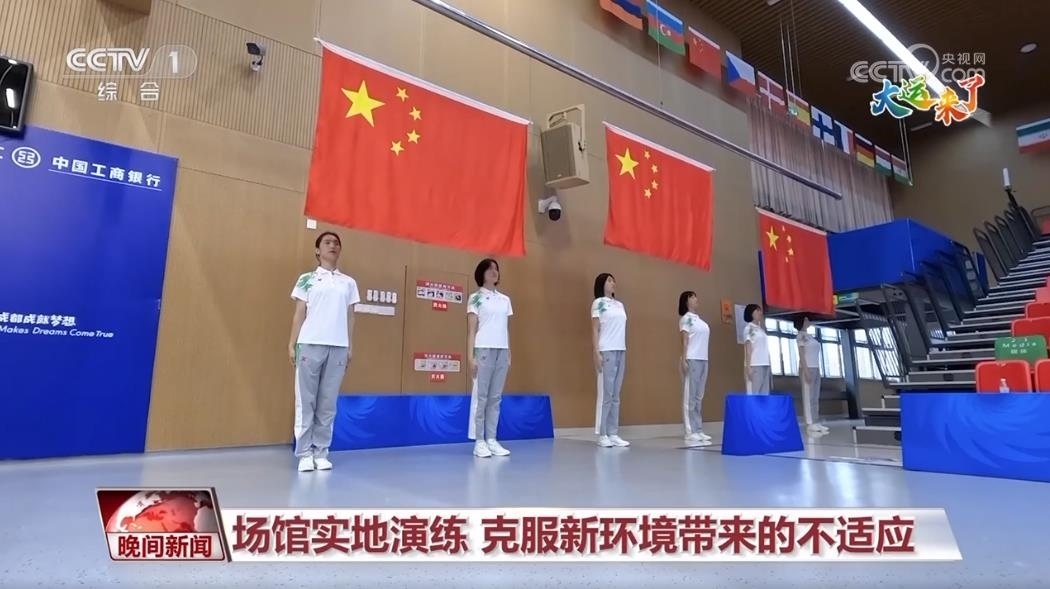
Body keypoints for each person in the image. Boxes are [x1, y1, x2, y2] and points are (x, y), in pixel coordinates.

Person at [288, 231, 360, 472]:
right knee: (306, 400)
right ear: (318, 250)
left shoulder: (348, 282)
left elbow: (350, 317)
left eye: (336, 243)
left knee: (328, 402)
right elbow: (299, 313)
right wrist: (292, 343)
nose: (333, 246)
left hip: (338, 347)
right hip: (309, 344)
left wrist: (350, 346)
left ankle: (321, 451)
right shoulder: (307, 279)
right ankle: (304, 453)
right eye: (327, 242)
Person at [466, 258, 513, 458]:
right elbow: (471, 330)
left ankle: (492, 439)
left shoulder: (505, 300)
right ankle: (479, 441)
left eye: (496, 269)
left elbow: (505, 328)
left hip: (501, 350)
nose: (494, 272)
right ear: (482, 273)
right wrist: (471, 357)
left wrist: (508, 351)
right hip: (483, 349)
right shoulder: (475, 298)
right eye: (489, 269)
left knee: (495, 397)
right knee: (481, 396)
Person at [592, 273, 630, 448]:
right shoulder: (598, 303)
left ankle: (613, 432)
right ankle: (602, 434)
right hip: (606, 350)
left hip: (621, 350)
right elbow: (595, 329)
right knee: (606, 394)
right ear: (602, 284)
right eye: (609, 280)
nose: (613, 283)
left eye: (613, 280)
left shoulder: (619, 305)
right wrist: (596, 352)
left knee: (615, 394)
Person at [678, 291, 712, 447]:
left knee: (699, 396)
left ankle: (698, 428)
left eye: (696, 296)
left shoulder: (700, 321)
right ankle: (690, 431)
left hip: (703, 359)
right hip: (691, 359)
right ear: (686, 301)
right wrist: (684, 359)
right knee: (690, 397)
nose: (696, 299)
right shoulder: (685, 319)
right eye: (692, 297)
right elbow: (684, 341)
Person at [794, 315, 829, 434]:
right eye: (806, 319)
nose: (809, 321)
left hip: (816, 368)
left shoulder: (810, 336)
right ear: (802, 321)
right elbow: (801, 355)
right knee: (808, 397)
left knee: (815, 396)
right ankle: (809, 423)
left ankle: (815, 421)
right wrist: (806, 371)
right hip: (807, 368)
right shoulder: (800, 336)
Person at [742, 303, 771, 395]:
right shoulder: (749, 328)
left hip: (765, 363)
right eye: (757, 310)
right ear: (751, 313)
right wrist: (748, 367)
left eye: (760, 310)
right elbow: (748, 348)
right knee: (755, 393)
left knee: (764, 394)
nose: (760, 312)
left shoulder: (760, 329)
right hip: (755, 364)